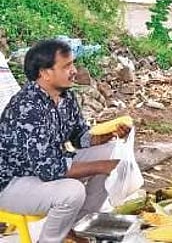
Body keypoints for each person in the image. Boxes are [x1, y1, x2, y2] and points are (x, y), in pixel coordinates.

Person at [0, 39, 131, 243]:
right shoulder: (27, 108)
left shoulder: (65, 97)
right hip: (12, 183)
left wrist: (109, 135)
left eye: (73, 64)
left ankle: (74, 226)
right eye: (67, 66)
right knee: (72, 191)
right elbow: (50, 169)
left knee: (111, 151)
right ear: (44, 73)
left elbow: (80, 137)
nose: (74, 71)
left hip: (41, 170)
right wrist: (101, 167)